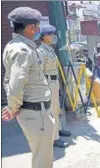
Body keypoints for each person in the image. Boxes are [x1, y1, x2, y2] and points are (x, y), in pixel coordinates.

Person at [1, 7, 55, 168]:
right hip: (36, 113)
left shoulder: (19, 46)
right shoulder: (22, 50)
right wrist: (12, 107)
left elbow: (9, 80)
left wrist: (13, 106)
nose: (39, 30)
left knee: (42, 154)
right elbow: (16, 83)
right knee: (42, 160)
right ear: (31, 28)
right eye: (38, 26)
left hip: (37, 111)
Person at [37, 24, 71, 148]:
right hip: (48, 84)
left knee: (56, 108)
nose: (54, 37)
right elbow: (38, 71)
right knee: (50, 111)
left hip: (54, 82)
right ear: (45, 37)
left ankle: (58, 129)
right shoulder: (41, 51)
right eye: (52, 35)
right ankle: (54, 138)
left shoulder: (50, 49)